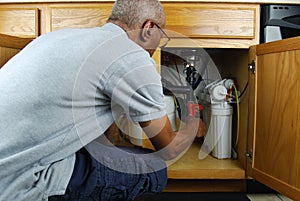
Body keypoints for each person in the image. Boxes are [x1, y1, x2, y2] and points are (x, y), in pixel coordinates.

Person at [0, 0, 205, 200]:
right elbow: (169, 148)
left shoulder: (58, 37)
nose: (158, 46)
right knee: (155, 169)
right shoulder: (132, 56)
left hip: (9, 161)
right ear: (148, 28)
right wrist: (192, 128)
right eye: (161, 36)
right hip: (22, 181)